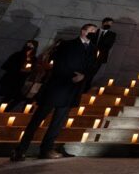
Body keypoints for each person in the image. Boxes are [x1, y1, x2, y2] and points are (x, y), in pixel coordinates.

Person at [11, 24, 98, 161]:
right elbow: (58, 63)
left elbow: (92, 66)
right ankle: (20, 149)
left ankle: (46, 149)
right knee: (37, 119)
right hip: (57, 87)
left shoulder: (93, 49)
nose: (94, 33)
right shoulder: (67, 44)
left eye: (96, 31)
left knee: (57, 123)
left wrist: (84, 76)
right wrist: (71, 76)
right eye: (91, 30)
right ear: (83, 31)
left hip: (73, 90)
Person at [0, 40, 38, 112]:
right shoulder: (18, 55)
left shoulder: (33, 58)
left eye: (31, 45)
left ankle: (2, 111)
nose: (29, 47)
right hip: (12, 79)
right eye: (28, 44)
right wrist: (19, 68)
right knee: (8, 97)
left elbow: (33, 70)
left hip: (21, 81)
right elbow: (6, 65)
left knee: (17, 98)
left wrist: (29, 70)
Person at [86, 17, 116, 89]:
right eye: (108, 23)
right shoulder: (95, 31)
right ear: (103, 23)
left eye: (111, 24)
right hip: (88, 55)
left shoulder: (112, 34)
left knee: (93, 73)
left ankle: (86, 86)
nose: (109, 25)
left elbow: (108, 46)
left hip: (100, 57)